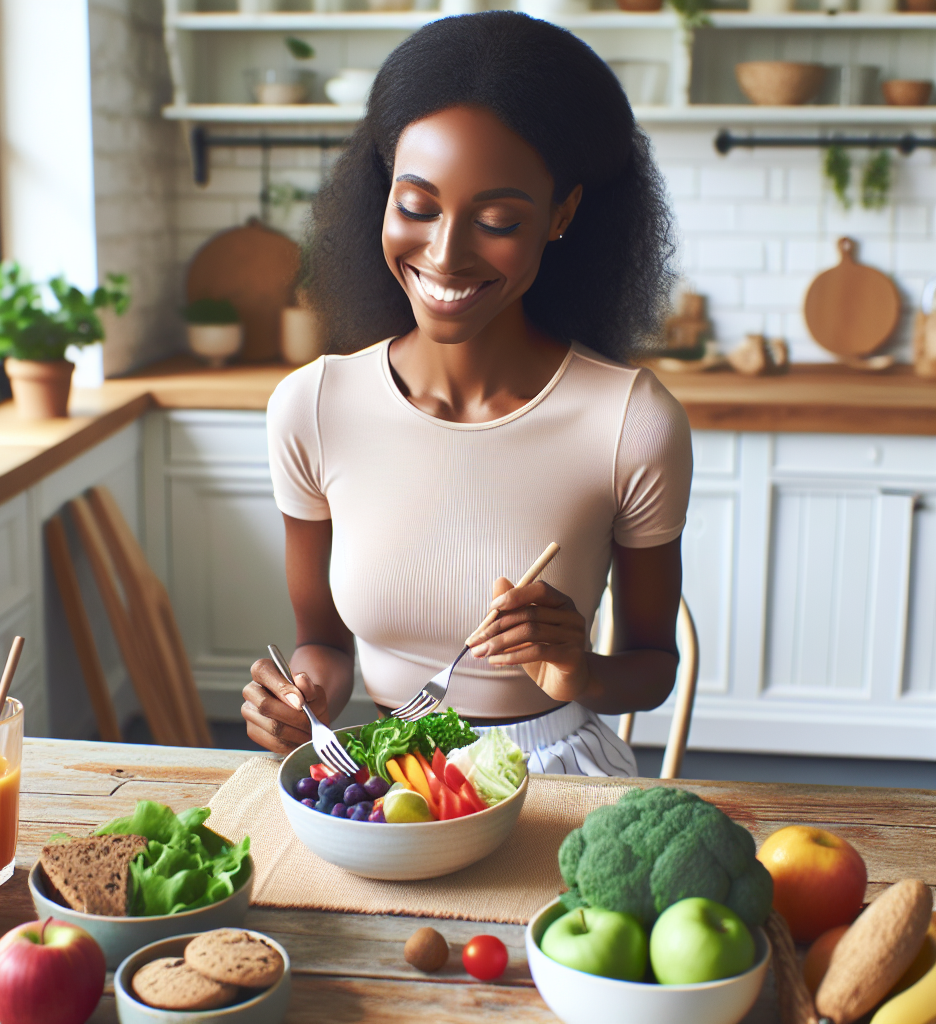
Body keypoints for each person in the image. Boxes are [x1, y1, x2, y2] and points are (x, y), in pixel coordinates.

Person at [242, 11, 692, 776]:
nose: (445, 255)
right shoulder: (310, 409)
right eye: (417, 206)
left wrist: (578, 668)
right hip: (379, 777)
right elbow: (323, 638)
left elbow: (653, 666)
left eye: (496, 220)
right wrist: (305, 694)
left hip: (554, 770)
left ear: (562, 215)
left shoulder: (631, 421)